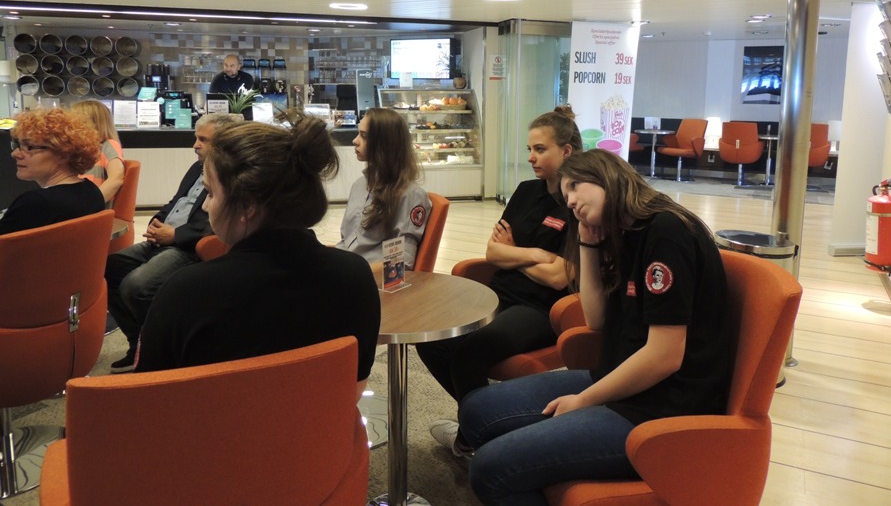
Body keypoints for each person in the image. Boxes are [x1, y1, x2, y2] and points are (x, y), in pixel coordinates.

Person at [457, 149, 731, 505]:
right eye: (565, 194)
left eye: (575, 186)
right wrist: (588, 243)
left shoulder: (666, 231)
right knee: (476, 410)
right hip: (619, 378)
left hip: (662, 407)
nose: (570, 201)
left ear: (606, 177)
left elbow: (665, 356)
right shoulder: (626, 232)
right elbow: (597, 319)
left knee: (491, 468)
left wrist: (584, 401)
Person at [135, 111, 381, 400]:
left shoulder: (186, 292)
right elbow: (352, 390)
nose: (204, 207)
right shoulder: (354, 276)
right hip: (322, 428)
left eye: (210, 194)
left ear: (247, 206)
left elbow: (149, 402)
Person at [418, 105, 581, 455]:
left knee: (470, 352)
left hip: (543, 309)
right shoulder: (526, 191)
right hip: (499, 293)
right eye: (529, 149)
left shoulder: (579, 203)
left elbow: (558, 278)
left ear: (566, 151)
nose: (531, 157)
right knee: (432, 339)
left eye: (540, 149)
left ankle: (472, 439)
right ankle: (489, 423)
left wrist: (515, 253)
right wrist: (537, 254)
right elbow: (493, 252)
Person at [104, 112, 242, 373]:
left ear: (224, 141)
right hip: (164, 239)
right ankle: (139, 343)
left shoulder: (232, 175)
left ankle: (162, 348)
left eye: (203, 140)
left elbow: (217, 222)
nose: (195, 145)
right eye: (196, 138)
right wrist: (156, 220)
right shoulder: (197, 168)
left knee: (138, 285)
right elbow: (176, 202)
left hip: (189, 247)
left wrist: (175, 236)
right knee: (109, 268)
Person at [335, 107, 431, 270]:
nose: (355, 141)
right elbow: (346, 241)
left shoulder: (410, 195)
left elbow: (401, 263)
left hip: (369, 278)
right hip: (346, 268)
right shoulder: (359, 185)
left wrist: (352, 272)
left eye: (364, 136)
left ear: (384, 143)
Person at [0, 108, 104, 235]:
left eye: (29, 147)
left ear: (63, 154)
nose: (14, 154)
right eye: (17, 145)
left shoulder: (34, 204)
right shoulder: (92, 193)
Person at [72, 99, 125, 206]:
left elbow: (116, 178)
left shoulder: (108, 145)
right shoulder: (78, 150)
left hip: (89, 209)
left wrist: (90, 204)